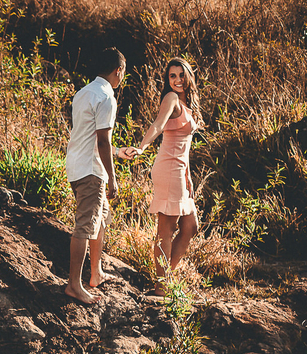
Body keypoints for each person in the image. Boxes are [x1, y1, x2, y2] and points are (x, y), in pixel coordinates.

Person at [118, 58, 205, 294]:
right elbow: (158, 124)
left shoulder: (188, 102)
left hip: (180, 170)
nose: (177, 80)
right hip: (167, 169)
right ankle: (162, 286)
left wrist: (189, 177)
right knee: (166, 230)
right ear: (167, 81)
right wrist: (143, 147)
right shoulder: (171, 99)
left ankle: (164, 279)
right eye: (172, 76)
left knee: (190, 226)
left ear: (188, 76)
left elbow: (185, 145)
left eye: (180, 75)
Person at [64, 48, 125, 305]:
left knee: (100, 217)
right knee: (84, 225)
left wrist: (119, 152)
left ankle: (96, 272)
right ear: (118, 71)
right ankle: (74, 285)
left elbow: (89, 135)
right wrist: (112, 177)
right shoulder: (107, 98)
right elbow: (102, 140)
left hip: (77, 166)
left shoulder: (83, 93)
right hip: (92, 171)